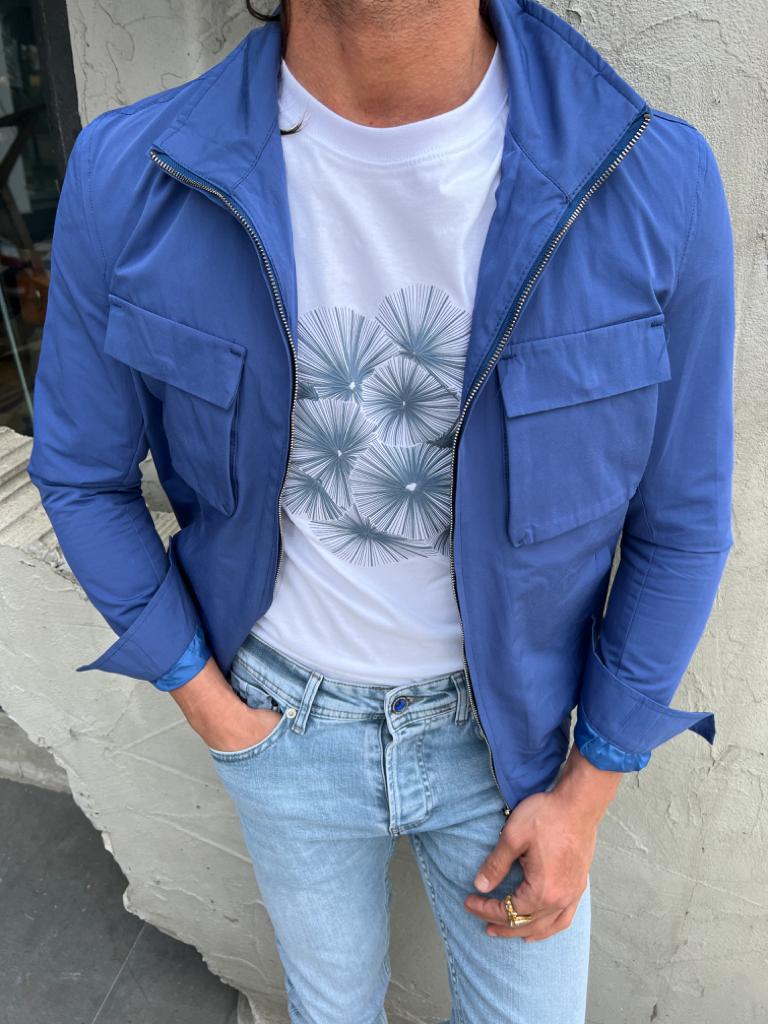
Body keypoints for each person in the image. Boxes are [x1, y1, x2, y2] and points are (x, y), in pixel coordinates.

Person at [27, 0, 735, 1019]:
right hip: (279, 723)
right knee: (327, 1008)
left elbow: (682, 524)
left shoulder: (650, 181)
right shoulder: (129, 176)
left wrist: (589, 788)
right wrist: (212, 707)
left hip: (515, 748)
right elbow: (81, 475)